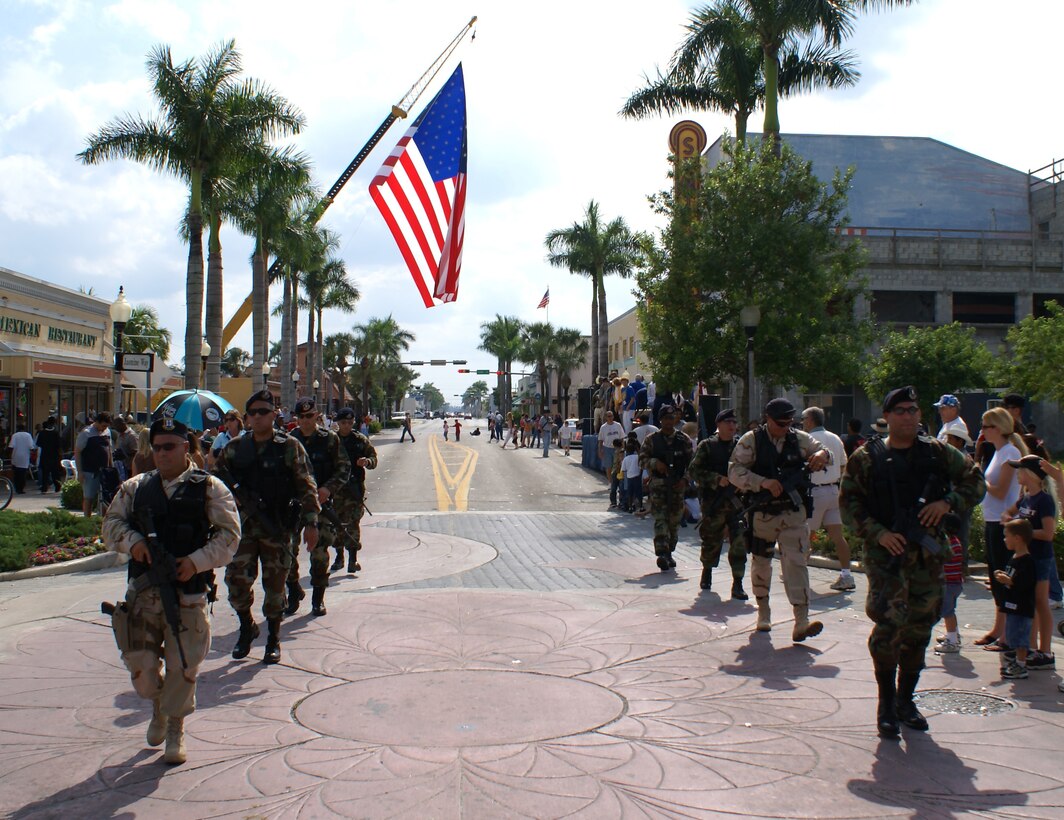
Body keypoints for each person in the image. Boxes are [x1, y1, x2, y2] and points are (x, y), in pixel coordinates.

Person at [840, 386, 985, 739]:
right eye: (900, 410)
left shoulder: (938, 453)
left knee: (920, 627)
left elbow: (976, 482)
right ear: (887, 417)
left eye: (913, 410)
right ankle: (886, 704)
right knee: (888, 628)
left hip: (927, 556)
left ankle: (907, 700)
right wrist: (878, 534)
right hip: (886, 557)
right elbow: (849, 506)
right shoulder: (867, 458)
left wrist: (946, 502)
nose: (908, 416)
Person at [102, 417, 241, 765]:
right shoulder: (135, 488)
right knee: (143, 670)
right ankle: (158, 706)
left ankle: (175, 725)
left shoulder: (209, 488)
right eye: (157, 447)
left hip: (189, 593)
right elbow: (111, 524)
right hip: (144, 593)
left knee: (184, 664)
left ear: (188, 448)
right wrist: (133, 543)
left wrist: (196, 561)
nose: (161, 454)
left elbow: (230, 536)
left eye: (170, 447)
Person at [213, 389, 320, 665]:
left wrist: (311, 523)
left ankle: (272, 638)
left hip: (277, 527)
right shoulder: (235, 448)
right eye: (253, 413)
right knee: (236, 585)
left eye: (264, 411)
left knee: (275, 588)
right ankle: (247, 626)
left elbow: (306, 485)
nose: (258, 417)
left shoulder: (288, 446)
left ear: (275, 414)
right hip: (244, 529)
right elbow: (216, 485)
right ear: (246, 417)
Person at [729, 398, 831, 642]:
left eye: (789, 423)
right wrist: (761, 482)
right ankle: (763, 612)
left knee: (796, 563)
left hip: (792, 512)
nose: (786, 428)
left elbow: (822, 451)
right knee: (761, 562)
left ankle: (802, 621)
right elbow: (734, 471)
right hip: (763, 513)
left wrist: (822, 455)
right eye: (780, 423)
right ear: (768, 419)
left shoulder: (798, 438)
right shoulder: (751, 440)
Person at [289, 397, 351, 616]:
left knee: (320, 553)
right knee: (286, 553)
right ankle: (294, 589)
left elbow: (344, 469)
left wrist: (328, 489)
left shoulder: (329, 439)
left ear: (317, 415)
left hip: (321, 505)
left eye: (309, 416)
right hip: (294, 506)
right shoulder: (289, 441)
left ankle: (318, 598)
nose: (305, 421)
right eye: (301, 417)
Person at [974, 406, 1027, 650]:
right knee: (995, 576)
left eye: (986, 426)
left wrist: (979, 478)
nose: (982, 431)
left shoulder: (1009, 453)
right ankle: (998, 628)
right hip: (992, 520)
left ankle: (1005, 636)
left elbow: (1001, 490)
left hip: (1002, 523)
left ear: (998, 428)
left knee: (1003, 577)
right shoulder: (998, 452)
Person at [1002, 455, 1056, 670]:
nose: (1017, 473)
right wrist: (1008, 519)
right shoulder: (1025, 498)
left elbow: (1049, 533)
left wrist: (1024, 533)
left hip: (1040, 557)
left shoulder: (1044, 500)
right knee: (1028, 602)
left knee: (1041, 601)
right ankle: (1029, 647)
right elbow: (1010, 512)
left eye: (1021, 469)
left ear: (1031, 474)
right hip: (1025, 558)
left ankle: (1046, 650)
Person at [688, 408, 747, 598]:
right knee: (711, 541)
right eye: (728, 422)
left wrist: (744, 484)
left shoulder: (741, 447)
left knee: (738, 543)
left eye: (734, 423)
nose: (732, 426)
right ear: (718, 425)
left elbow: (750, 470)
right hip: (714, 502)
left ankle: (738, 583)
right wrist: (716, 479)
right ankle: (707, 570)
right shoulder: (707, 446)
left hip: (737, 503)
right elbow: (694, 471)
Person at [800, 406, 853, 592]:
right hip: (833, 491)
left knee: (804, 535)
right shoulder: (835, 438)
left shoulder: (806, 439)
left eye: (803, 419)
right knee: (838, 536)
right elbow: (843, 466)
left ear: (810, 420)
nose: (802, 423)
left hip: (814, 492)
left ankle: (799, 574)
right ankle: (847, 575)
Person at [639, 405, 694, 571]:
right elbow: (642, 460)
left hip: (677, 486)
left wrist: (685, 479)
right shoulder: (651, 439)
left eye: (672, 418)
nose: (669, 422)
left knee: (674, 522)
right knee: (660, 519)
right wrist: (656, 464)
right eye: (666, 419)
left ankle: (669, 551)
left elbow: (693, 464)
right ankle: (661, 553)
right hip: (659, 486)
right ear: (660, 420)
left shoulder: (683, 440)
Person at [333, 407, 378, 574]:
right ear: (338, 423)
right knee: (336, 524)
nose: (346, 426)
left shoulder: (360, 440)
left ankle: (352, 559)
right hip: (335, 490)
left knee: (353, 524)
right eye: (343, 422)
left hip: (354, 489)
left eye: (350, 423)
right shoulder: (331, 440)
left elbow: (374, 458)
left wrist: (367, 462)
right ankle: (339, 557)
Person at [996, 518, 1037, 679]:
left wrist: (1009, 581)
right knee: (1013, 634)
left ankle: (1021, 665)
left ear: (1017, 538)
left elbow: (1026, 583)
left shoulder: (1027, 561)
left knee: (1020, 637)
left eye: (1007, 536)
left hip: (1022, 607)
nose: (1005, 539)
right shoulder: (1014, 557)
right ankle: (1015, 662)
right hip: (1012, 605)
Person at [934, 530, 966, 654]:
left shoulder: (947, 544)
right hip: (956, 584)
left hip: (948, 585)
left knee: (948, 613)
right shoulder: (956, 542)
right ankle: (954, 634)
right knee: (950, 611)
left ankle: (952, 642)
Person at [75, 412, 113, 516]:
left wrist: (111, 467)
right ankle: (87, 520)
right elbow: (77, 452)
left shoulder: (107, 432)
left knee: (105, 497)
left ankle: (103, 520)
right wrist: (80, 472)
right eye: (103, 426)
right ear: (97, 422)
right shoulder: (86, 433)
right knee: (89, 497)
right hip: (90, 471)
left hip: (104, 470)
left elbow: (109, 450)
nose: (104, 428)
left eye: (106, 426)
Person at [34, 417, 64, 493]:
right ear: (54, 423)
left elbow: (38, 444)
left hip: (45, 455)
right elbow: (59, 445)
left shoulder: (42, 433)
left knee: (45, 473)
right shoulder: (56, 433)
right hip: (54, 455)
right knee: (55, 473)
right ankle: (57, 487)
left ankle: (44, 488)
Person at [597, 410, 625, 481]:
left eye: (611, 416)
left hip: (617, 448)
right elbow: (600, 440)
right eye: (608, 416)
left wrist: (623, 448)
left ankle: (618, 482)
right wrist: (600, 450)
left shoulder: (618, 425)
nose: (610, 417)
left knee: (618, 466)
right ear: (606, 417)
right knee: (608, 466)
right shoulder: (603, 427)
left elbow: (622, 437)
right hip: (607, 448)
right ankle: (610, 482)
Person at [8, 423, 34, 494]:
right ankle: (21, 488)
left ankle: (17, 487)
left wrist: (9, 455)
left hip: (16, 456)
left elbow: (11, 446)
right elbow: (31, 447)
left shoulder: (15, 435)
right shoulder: (28, 435)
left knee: (16, 474)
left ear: (17, 429)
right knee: (23, 474)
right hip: (25, 457)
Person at [621, 440, 643, 513]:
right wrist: (640, 474)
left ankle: (630, 507)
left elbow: (624, 469)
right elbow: (641, 466)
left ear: (626, 451)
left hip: (629, 477)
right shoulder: (637, 457)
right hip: (637, 476)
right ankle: (640, 507)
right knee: (639, 493)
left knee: (630, 493)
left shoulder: (625, 459)